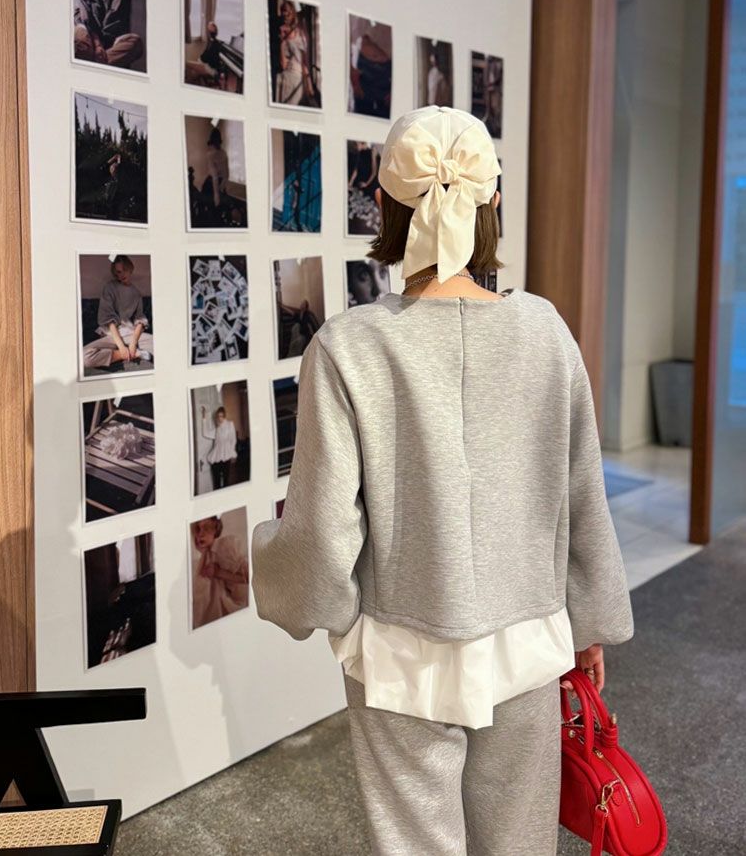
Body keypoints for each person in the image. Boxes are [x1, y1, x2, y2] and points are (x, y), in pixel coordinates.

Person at [251, 105, 634, 855]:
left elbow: (323, 537)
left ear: (385, 206)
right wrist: (588, 623)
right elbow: (583, 497)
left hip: (402, 651)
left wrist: (278, 569)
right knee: (519, 841)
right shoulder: (546, 333)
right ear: (494, 203)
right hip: (524, 641)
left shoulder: (349, 347)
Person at [83, 254, 153, 374]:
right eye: (118, 272)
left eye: (124, 270)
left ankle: (132, 351)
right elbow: (108, 320)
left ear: (130, 269)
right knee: (84, 357)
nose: (121, 275)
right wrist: (122, 348)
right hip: (111, 334)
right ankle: (130, 354)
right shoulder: (109, 288)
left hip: (129, 333)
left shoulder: (136, 293)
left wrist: (133, 343)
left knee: (160, 344)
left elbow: (140, 320)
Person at [74, 0, 144, 70]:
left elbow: (122, 19)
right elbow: (86, 16)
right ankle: (102, 64)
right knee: (80, 39)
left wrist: (118, 39)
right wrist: (97, 44)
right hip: (92, 36)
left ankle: (95, 65)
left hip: (111, 41)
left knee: (136, 43)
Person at [191, 516, 248, 629]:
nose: (200, 534)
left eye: (207, 528)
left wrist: (218, 572)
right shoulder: (205, 555)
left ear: (216, 531)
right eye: (198, 529)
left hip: (234, 607)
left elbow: (248, 576)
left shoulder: (224, 545)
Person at [274, 0, 314, 106]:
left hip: (297, 79)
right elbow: (283, 64)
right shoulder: (280, 31)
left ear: (293, 12)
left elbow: (304, 61)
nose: (285, 14)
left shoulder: (300, 33)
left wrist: (309, 85)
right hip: (286, 78)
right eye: (283, 11)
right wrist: (282, 43)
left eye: (287, 11)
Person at [200, 405, 237, 490]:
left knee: (226, 481)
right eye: (218, 416)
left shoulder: (230, 425)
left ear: (224, 416)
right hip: (215, 459)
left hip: (226, 457)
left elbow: (233, 439)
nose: (220, 418)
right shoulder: (216, 430)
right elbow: (205, 433)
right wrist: (204, 417)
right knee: (216, 483)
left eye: (222, 416)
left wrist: (232, 453)